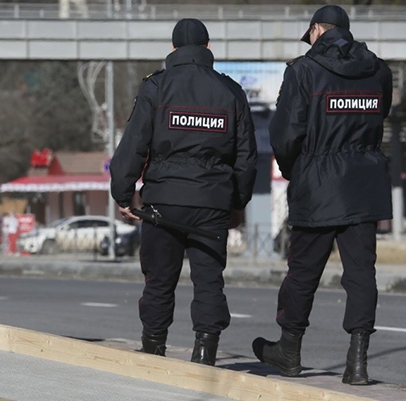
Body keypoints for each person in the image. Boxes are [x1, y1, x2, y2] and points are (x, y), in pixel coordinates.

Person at [251, 5, 393, 385]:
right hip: (364, 185)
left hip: (317, 185)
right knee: (362, 274)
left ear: (316, 30)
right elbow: (380, 117)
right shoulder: (378, 70)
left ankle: (289, 350)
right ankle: (358, 362)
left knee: (302, 272)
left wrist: (296, 170)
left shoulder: (303, 71)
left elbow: (285, 133)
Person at [110, 18, 257, 366]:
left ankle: (153, 348)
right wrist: (237, 202)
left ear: (173, 49)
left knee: (159, 279)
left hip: (164, 202)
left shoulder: (156, 87)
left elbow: (133, 145)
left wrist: (122, 192)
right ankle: (205, 353)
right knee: (208, 280)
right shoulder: (231, 91)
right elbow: (247, 156)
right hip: (212, 203)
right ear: (208, 49)